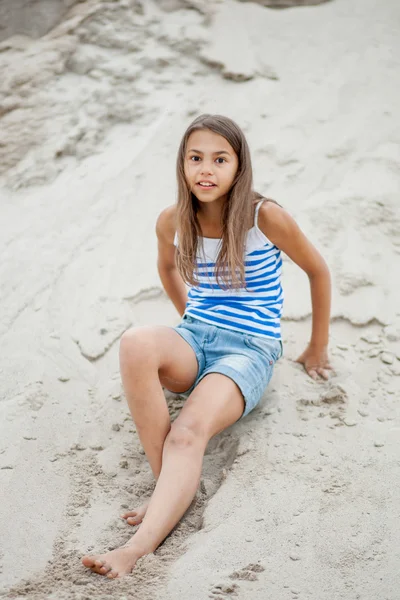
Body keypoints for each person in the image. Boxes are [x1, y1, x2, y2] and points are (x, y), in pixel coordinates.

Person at [82, 114, 331, 578]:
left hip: (248, 351)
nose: (206, 169)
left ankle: (135, 549)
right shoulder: (174, 218)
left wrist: (317, 347)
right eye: (195, 158)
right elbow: (167, 268)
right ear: (182, 164)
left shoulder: (265, 218)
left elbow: (317, 271)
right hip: (196, 337)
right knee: (136, 341)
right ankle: (169, 489)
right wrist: (187, 323)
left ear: (239, 167)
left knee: (186, 434)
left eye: (220, 159)